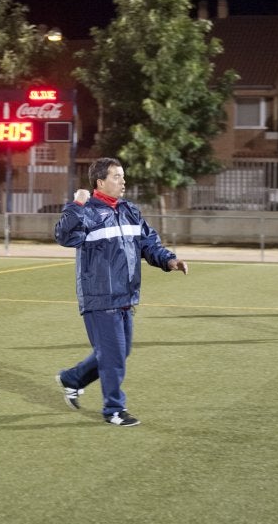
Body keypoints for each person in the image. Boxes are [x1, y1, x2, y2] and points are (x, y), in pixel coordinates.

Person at [54, 157, 188, 426]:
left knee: (118, 352)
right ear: (100, 182)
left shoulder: (130, 210)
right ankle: (114, 410)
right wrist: (77, 203)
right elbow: (64, 236)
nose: (123, 181)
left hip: (125, 295)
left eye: (123, 176)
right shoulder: (87, 212)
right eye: (117, 176)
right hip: (99, 297)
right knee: (114, 356)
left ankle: (73, 378)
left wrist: (169, 260)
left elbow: (149, 244)